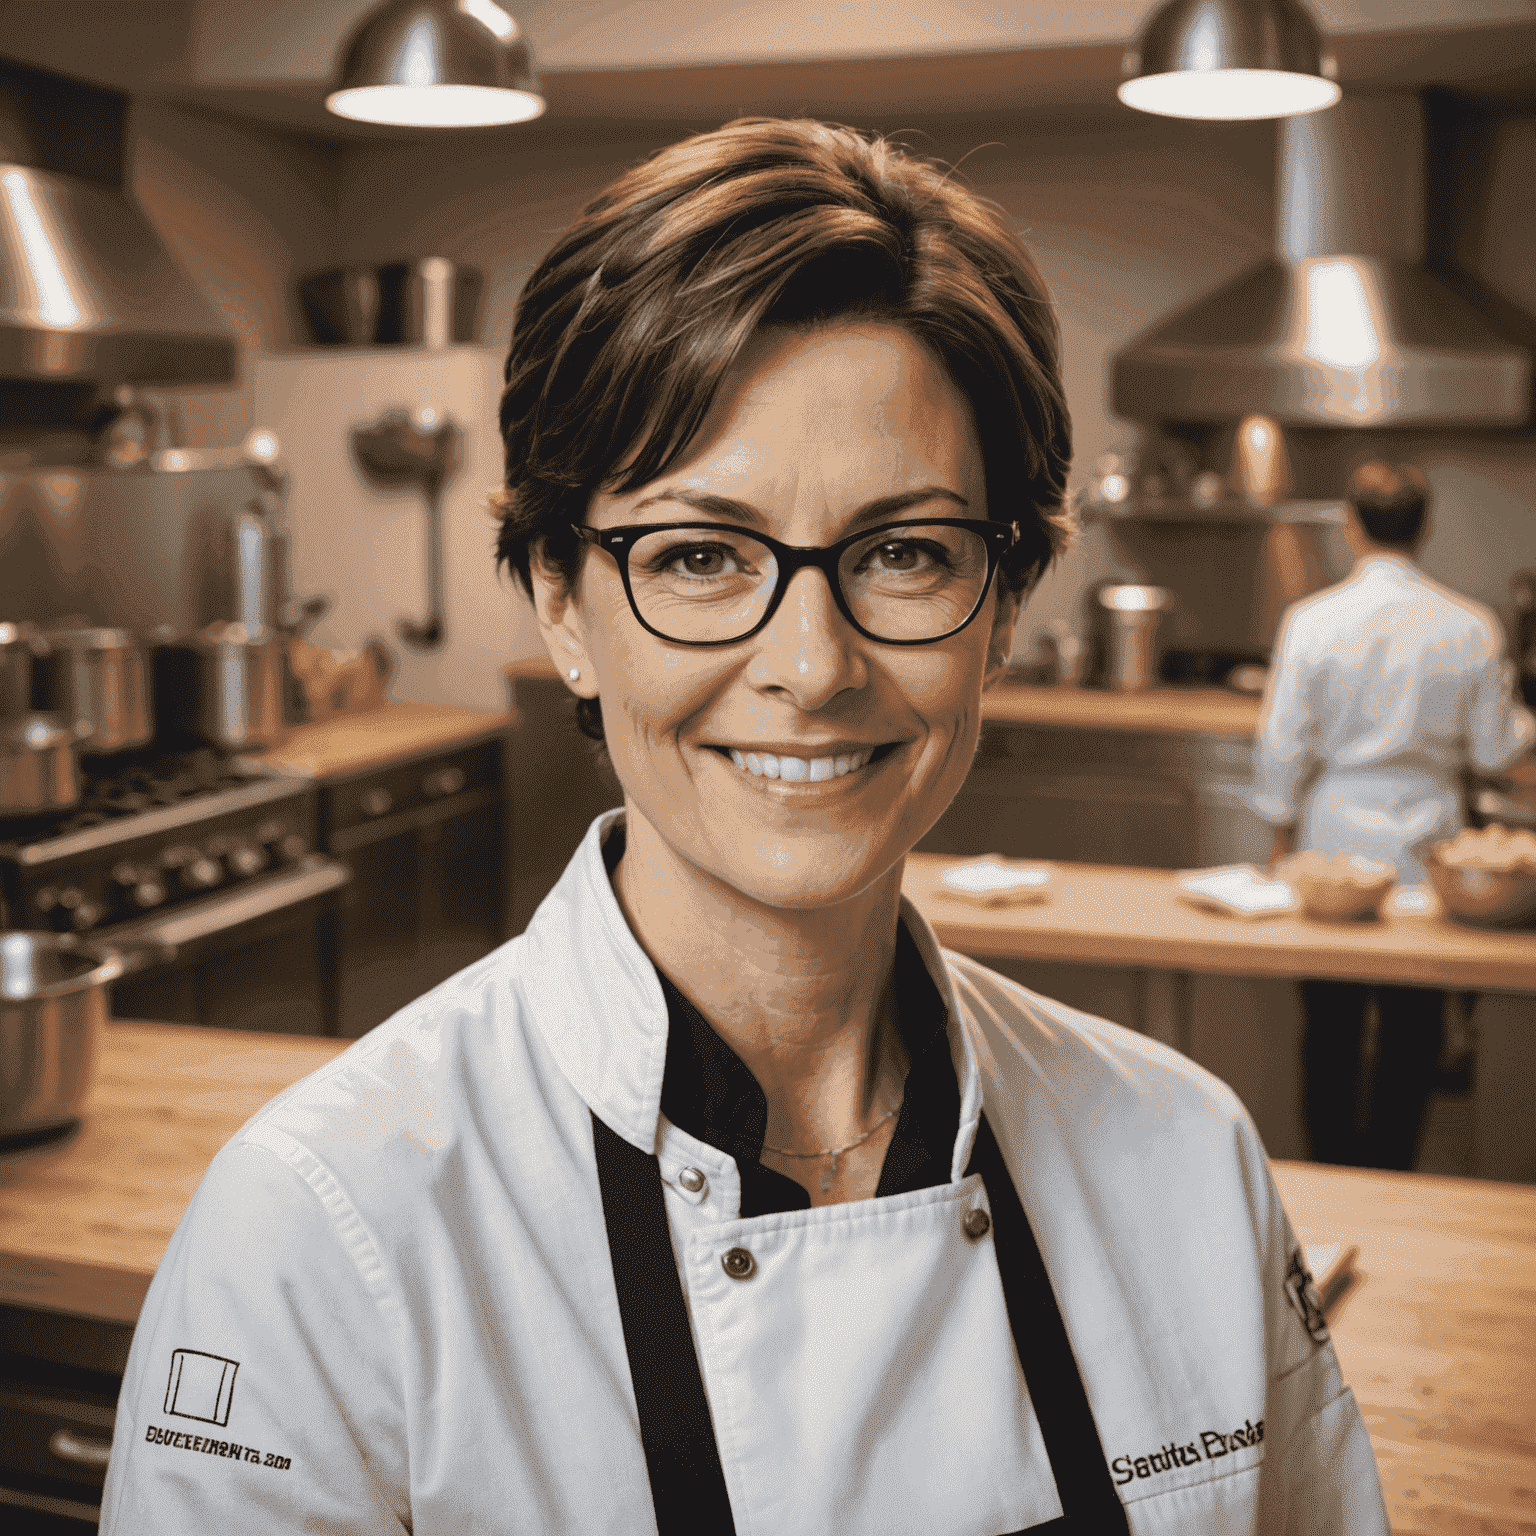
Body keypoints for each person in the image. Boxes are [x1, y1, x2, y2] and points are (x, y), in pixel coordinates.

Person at [101, 119, 1388, 1534]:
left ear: (1005, 606)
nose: (814, 666)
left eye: (904, 552)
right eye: (702, 556)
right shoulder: (323, 1230)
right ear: (559, 600)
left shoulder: (1187, 1163)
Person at [1254, 461, 1536, 1170]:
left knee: (1330, 1025)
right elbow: (1498, 749)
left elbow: (1282, 744)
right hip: (1429, 848)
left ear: (1351, 526)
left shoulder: (1311, 620)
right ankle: (1391, 1171)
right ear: (1427, 526)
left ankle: (1330, 1172)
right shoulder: (1469, 626)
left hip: (1332, 842)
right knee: (1413, 1029)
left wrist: (1280, 838)